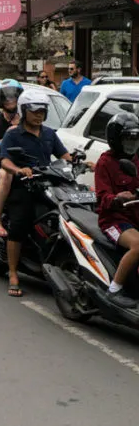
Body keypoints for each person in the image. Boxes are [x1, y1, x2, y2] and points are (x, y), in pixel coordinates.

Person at [0, 89, 72, 297]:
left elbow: (63, 155)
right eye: (35, 111)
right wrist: (18, 170)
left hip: (49, 185)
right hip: (24, 187)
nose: (39, 114)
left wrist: (79, 162)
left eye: (42, 111)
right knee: (19, 224)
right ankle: (13, 273)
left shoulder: (49, 133)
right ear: (24, 111)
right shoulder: (13, 134)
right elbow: (4, 160)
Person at [95, 112, 139, 308]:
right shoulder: (105, 162)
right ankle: (114, 290)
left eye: (135, 139)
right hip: (114, 219)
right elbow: (103, 198)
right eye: (128, 139)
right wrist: (118, 198)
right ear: (116, 140)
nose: (132, 144)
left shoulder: (137, 159)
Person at [0, 80, 23, 238]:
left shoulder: (24, 119)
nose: (10, 100)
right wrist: (3, 140)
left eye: (14, 97)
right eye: (7, 98)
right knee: (6, 176)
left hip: (19, 164)